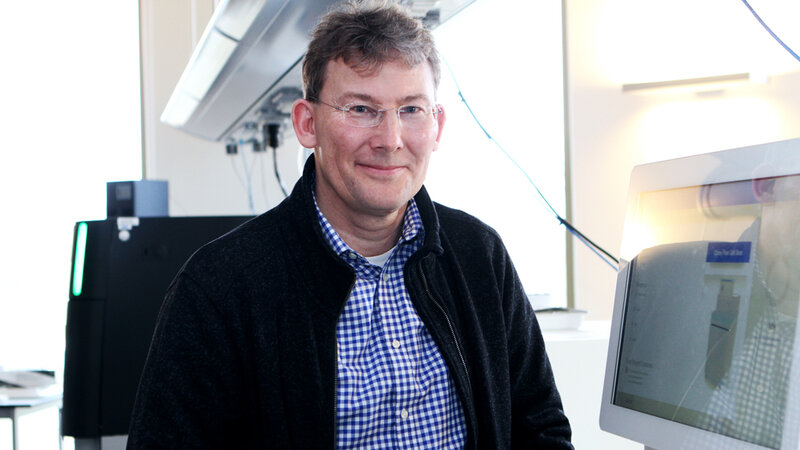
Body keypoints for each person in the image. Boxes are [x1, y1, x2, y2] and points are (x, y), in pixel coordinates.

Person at [127, 1, 573, 448]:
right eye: (361, 108)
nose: (390, 140)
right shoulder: (219, 288)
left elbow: (541, 428)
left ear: (437, 126)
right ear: (307, 124)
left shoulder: (479, 255)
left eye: (411, 109)